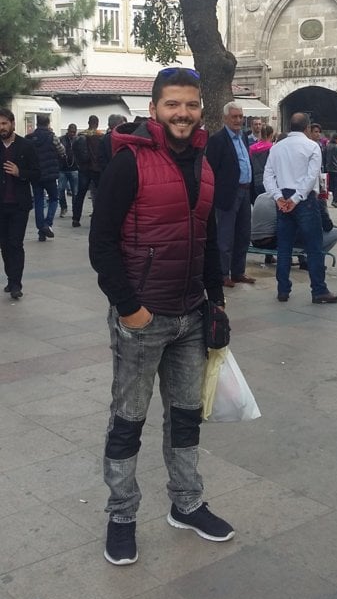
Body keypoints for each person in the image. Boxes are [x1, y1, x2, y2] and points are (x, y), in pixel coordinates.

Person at [89, 68, 233, 566]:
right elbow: (101, 243)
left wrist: (216, 302)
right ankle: (121, 515)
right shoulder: (128, 163)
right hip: (143, 319)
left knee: (186, 417)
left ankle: (186, 503)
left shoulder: (205, 164)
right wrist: (130, 308)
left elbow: (207, 240)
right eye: (172, 104)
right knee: (128, 420)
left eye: (190, 104)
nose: (182, 113)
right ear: (153, 109)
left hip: (191, 315)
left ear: (200, 110)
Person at [263, 112, 337, 304]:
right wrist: (297, 198)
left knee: (284, 246)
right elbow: (311, 176)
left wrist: (278, 197)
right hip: (304, 199)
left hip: (283, 196)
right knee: (314, 246)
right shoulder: (312, 146)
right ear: (307, 128)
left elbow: (268, 176)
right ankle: (319, 289)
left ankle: (283, 289)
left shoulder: (277, 147)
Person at [206, 102, 255, 288]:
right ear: (225, 118)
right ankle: (222, 273)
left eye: (240, 116)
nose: (238, 120)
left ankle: (238, 271)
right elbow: (211, 169)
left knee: (243, 234)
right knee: (225, 236)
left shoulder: (243, 137)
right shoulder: (217, 140)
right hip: (228, 194)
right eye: (234, 117)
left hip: (245, 191)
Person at [0, 108, 40, 298]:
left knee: (15, 243)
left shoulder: (26, 146)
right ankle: (11, 278)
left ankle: (16, 283)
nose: (1, 127)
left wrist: (20, 173)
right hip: (1, 205)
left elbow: (37, 173)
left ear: (12, 124)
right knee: (5, 245)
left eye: (4, 123)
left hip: (19, 205)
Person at [251, 191, 337, 260]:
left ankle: (269, 258)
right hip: (273, 243)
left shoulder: (261, 196)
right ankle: (310, 260)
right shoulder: (288, 199)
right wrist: (321, 202)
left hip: (255, 242)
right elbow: (327, 226)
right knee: (334, 233)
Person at [26, 114, 65, 242]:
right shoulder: (52, 137)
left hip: (35, 175)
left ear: (37, 123)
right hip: (50, 174)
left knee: (38, 201)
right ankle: (47, 224)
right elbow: (62, 151)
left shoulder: (29, 138)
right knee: (54, 198)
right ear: (48, 123)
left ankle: (41, 229)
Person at [72, 115, 104, 227]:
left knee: (80, 194)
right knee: (100, 194)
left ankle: (76, 218)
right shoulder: (101, 136)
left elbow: (74, 150)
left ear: (88, 122)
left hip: (84, 169)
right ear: (97, 123)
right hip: (97, 169)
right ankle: (99, 217)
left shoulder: (81, 135)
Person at [58, 123, 78, 218]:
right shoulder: (61, 139)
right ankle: (63, 207)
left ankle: (75, 210)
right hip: (63, 168)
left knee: (75, 191)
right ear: (68, 130)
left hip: (74, 168)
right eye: (71, 132)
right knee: (60, 189)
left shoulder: (77, 140)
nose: (72, 134)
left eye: (74, 132)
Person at [249, 124, 274, 199]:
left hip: (254, 180)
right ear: (271, 135)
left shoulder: (251, 148)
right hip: (267, 180)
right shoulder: (272, 148)